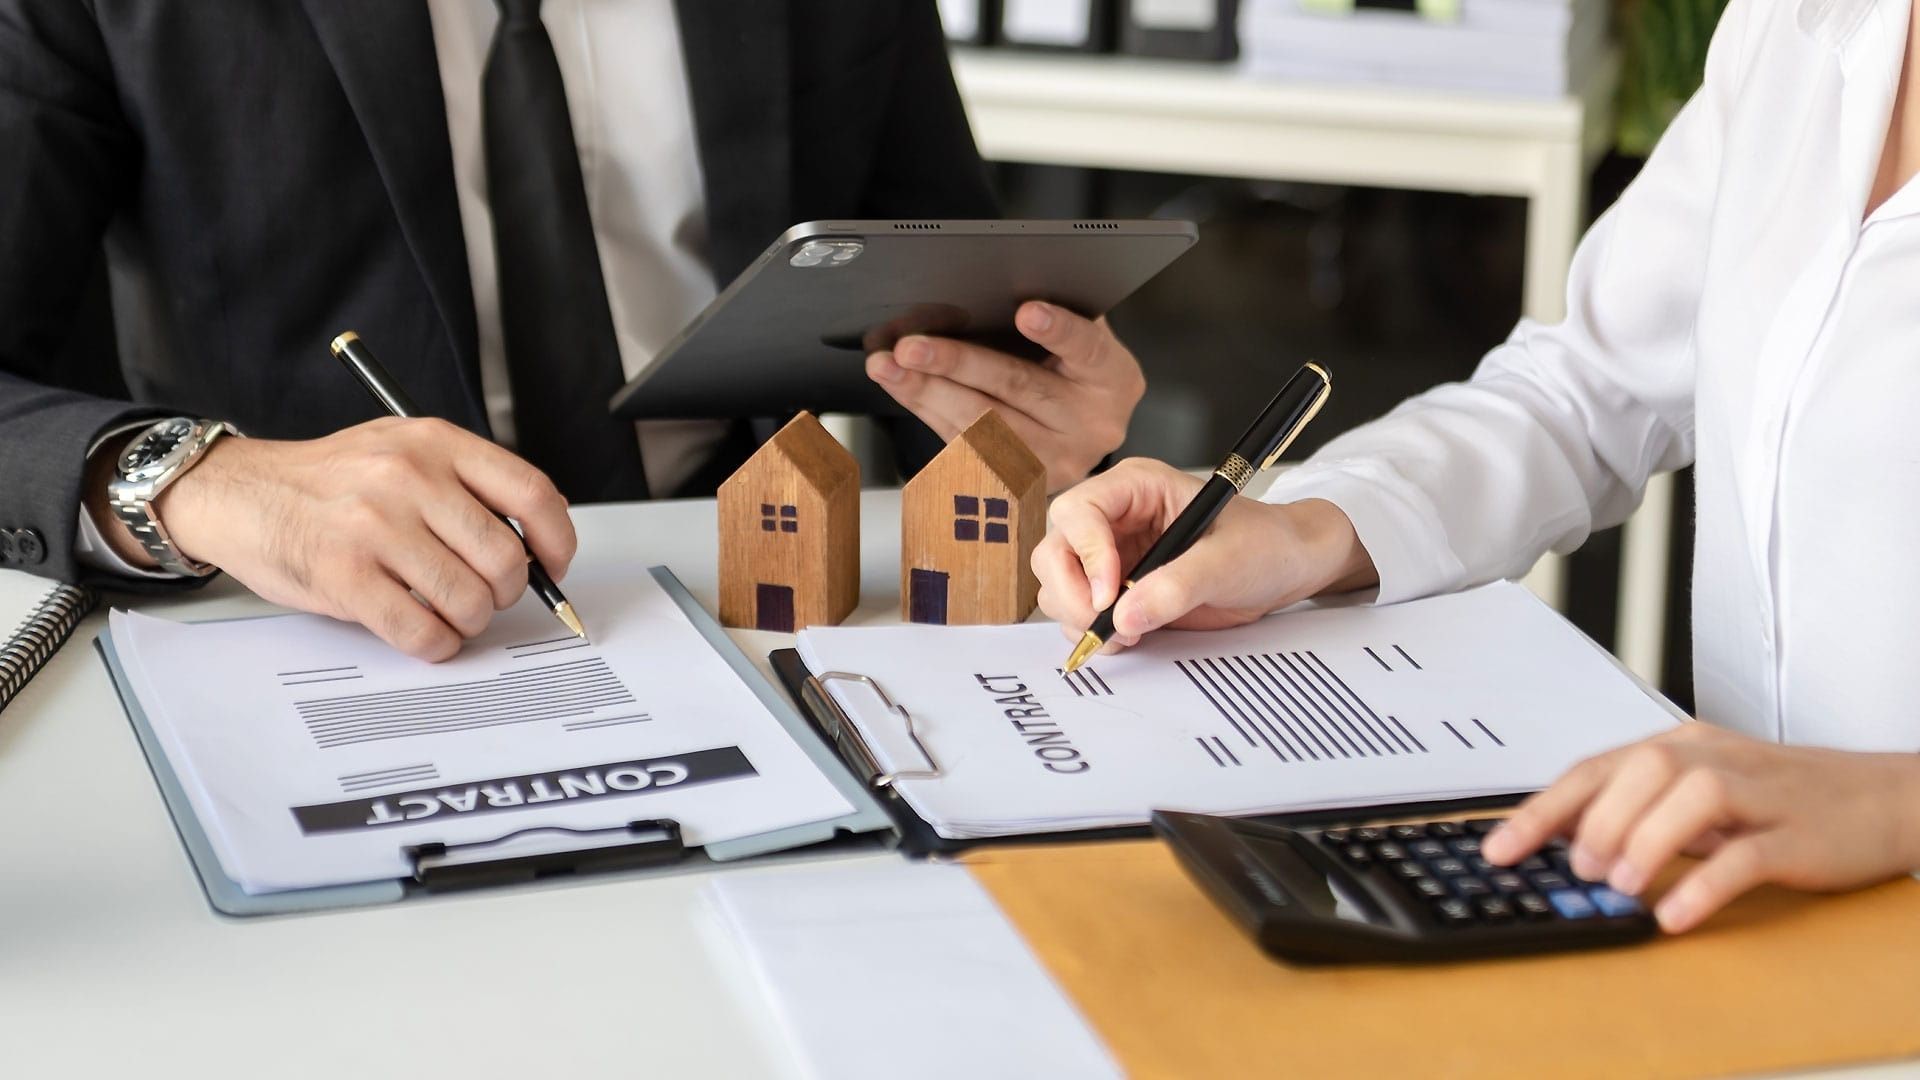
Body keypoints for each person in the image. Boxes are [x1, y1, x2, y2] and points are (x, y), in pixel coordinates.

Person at [1033, 0, 1920, 933]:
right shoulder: (1796, 23)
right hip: (1729, 899)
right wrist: (1304, 530)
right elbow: (1585, 385)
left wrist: (1896, 805)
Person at [0, 0, 1143, 660]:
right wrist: (207, 483)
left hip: (749, 589)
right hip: (309, 621)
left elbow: (944, 311)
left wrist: (1039, 446)